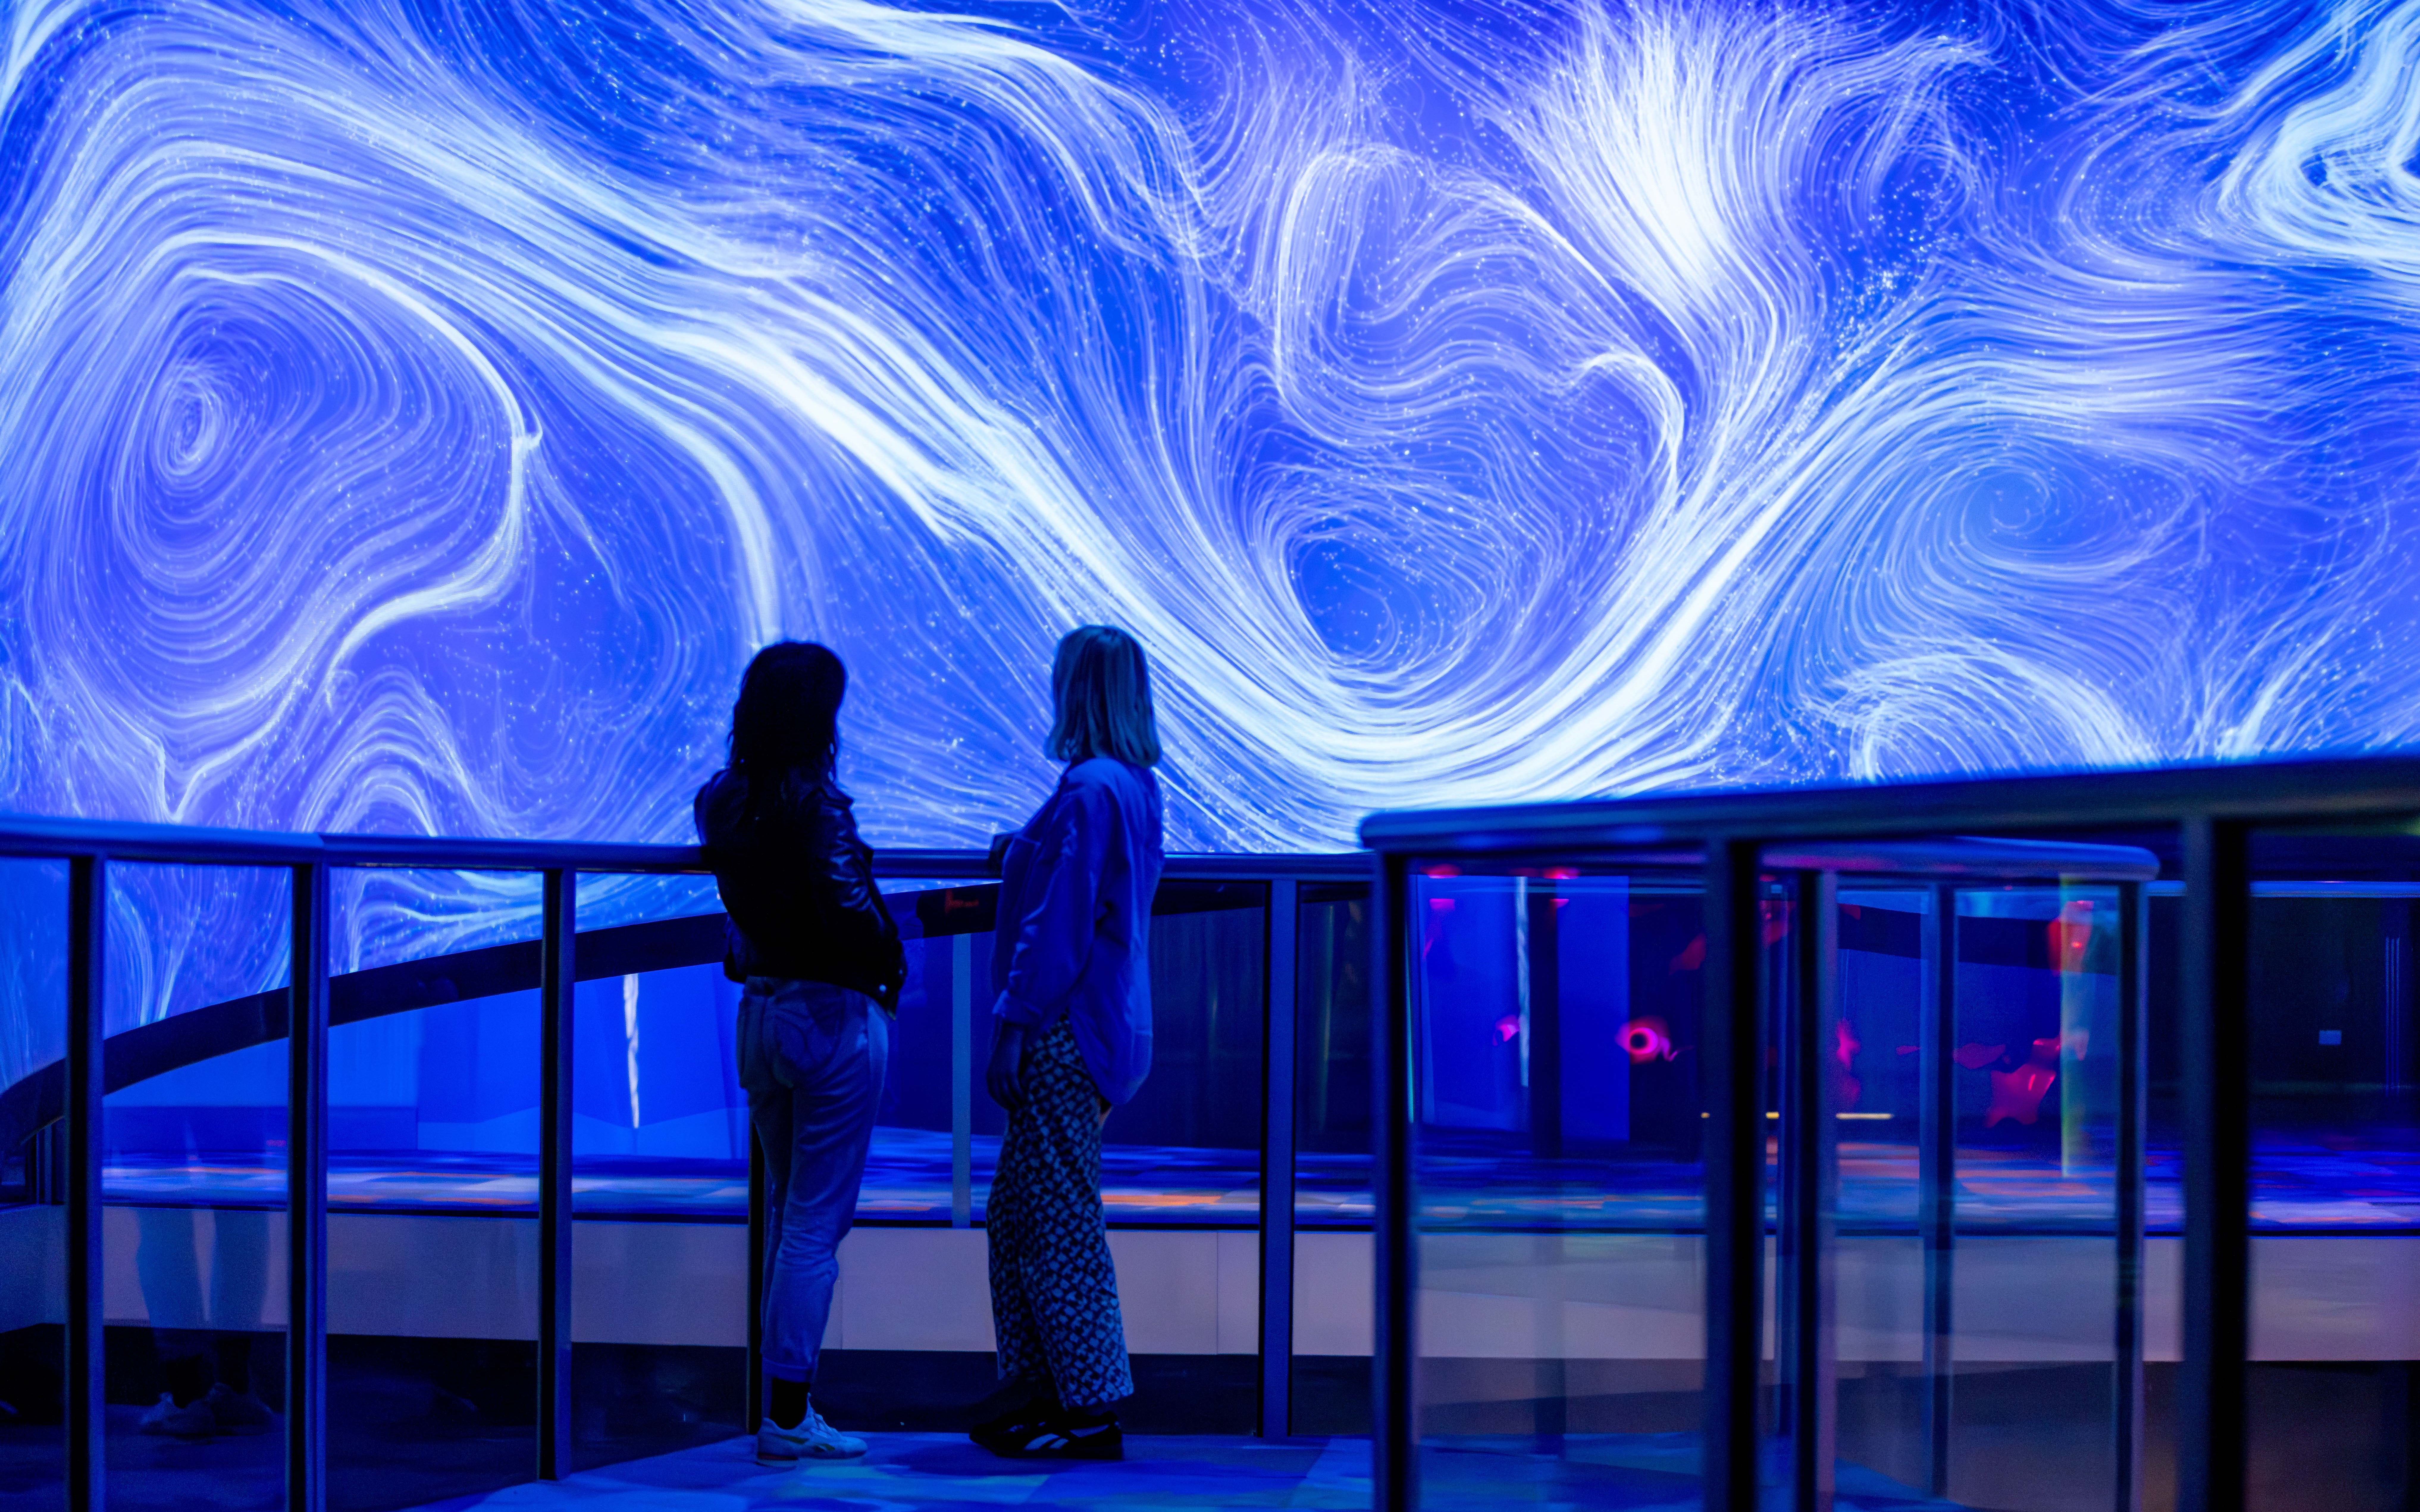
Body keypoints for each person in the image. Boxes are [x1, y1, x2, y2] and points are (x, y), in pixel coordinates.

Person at [696, 641, 904, 1466]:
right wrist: (890, 960)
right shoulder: (818, 806)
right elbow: (850, 910)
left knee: (788, 1213)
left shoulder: (719, 801)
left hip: (761, 1011)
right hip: (830, 1017)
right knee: (815, 1223)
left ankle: (786, 1403)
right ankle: (787, 1409)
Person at [972, 625, 1166, 1461]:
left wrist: (1013, 1025)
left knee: (1054, 1220)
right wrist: (1021, 852)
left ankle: (1085, 1405)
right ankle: (1043, 1386)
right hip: (1106, 1023)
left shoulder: (1088, 791)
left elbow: (1058, 928)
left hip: (1063, 1029)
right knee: (1022, 1210)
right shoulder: (1131, 786)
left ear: (1075, 691)